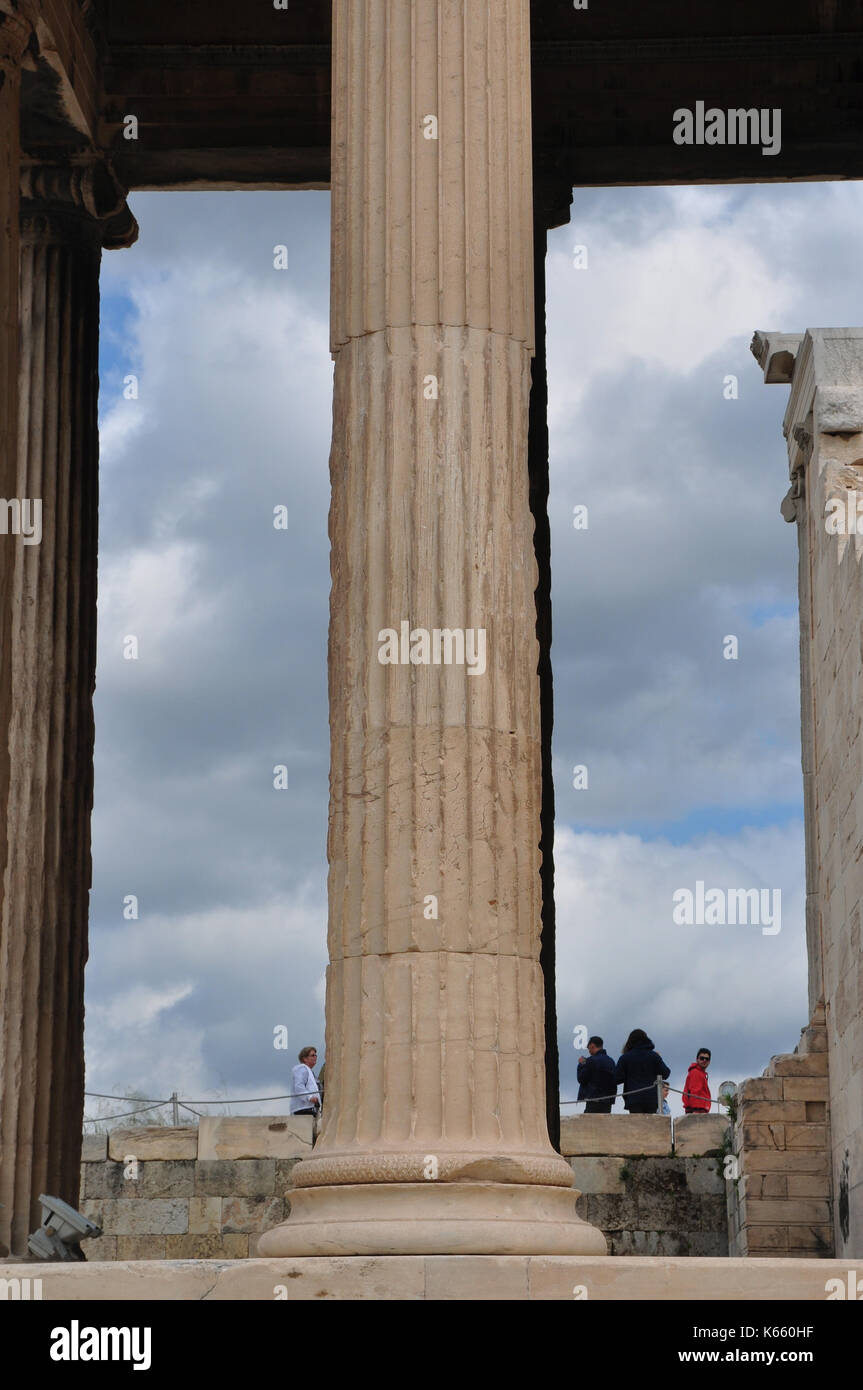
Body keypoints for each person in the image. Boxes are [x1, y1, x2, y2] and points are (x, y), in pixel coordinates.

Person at [614, 1029, 670, 1114]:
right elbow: (666, 1073)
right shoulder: (654, 1056)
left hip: (633, 1098)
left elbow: (617, 1078)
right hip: (652, 1099)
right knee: (650, 1125)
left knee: (636, 1126)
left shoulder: (625, 1058)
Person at [577, 1035, 617, 1113]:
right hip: (608, 1100)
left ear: (592, 1046)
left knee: (589, 1123)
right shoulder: (611, 1061)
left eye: (588, 1048)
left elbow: (581, 1079)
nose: (589, 1051)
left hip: (593, 1099)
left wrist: (581, 1064)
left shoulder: (590, 1061)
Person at [290, 1046, 321, 1116]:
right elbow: (299, 1086)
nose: (315, 1057)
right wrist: (310, 1097)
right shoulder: (301, 1069)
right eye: (313, 1055)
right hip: (303, 1109)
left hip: (310, 1108)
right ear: (305, 1059)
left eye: (316, 1055)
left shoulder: (309, 1072)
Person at [683, 1047, 712, 1113]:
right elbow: (694, 1092)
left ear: (709, 1061)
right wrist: (695, 1110)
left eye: (707, 1059)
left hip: (699, 1110)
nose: (704, 1060)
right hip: (697, 1110)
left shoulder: (700, 1073)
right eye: (702, 1058)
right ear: (697, 1059)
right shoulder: (696, 1072)